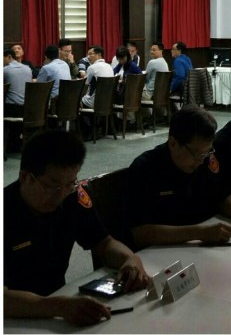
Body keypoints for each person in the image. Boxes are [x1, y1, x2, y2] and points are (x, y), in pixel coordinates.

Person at [4, 129, 149, 326]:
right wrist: (56, 306)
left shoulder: (72, 197)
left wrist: (130, 259)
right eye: (52, 186)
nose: (61, 195)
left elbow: (104, 243)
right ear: (25, 177)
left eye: (70, 183)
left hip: (57, 308)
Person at [124, 105, 231, 249]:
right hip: (160, 251)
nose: (201, 161)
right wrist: (199, 233)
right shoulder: (145, 169)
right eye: (196, 154)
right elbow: (140, 233)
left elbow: (223, 195)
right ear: (173, 143)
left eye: (206, 152)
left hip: (200, 246)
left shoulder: (206, 159)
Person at [4, 47, 33, 117]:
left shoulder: (5, 70)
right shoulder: (28, 68)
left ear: (9, 57)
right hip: (27, 109)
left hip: (11, 109)